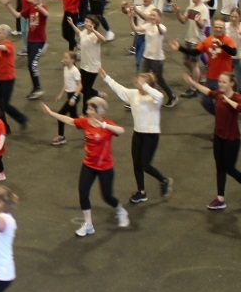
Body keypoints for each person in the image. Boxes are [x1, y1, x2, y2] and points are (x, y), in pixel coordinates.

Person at [40, 97, 129, 236]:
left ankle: (120, 210)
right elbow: (70, 120)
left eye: (90, 109)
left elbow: (121, 131)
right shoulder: (86, 122)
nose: (87, 111)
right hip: (89, 164)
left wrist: (104, 126)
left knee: (107, 196)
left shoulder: (107, 125)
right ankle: (88, 224)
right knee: (83, 192)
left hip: (105, 166)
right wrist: (51, 113)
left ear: (99, 111)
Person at [184, 72, 241, 210]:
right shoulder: (218, 94)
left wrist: (227, 100)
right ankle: (220, 198)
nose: (221, 84)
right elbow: (208, 91)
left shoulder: (236, 96)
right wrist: (194, 84)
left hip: (232, 139)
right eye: (220, 82)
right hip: (218, 137)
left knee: (230, 168)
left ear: (232, 83)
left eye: (224, 82)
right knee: (220, 167)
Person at [100, 67, 170, 204]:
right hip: (138, 133)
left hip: (151, 135)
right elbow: (119, 89)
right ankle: (141, 192)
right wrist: (106, 78)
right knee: (136, 164)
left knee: (145, 164)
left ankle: (163, 180)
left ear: (148, 86)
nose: (137, 84)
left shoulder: (154, 99)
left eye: (141, 83)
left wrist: (145, 85)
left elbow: (160, 96)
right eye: (138, 82)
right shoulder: (134, 94)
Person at [49, 51, 82, 147]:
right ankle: (89, 128)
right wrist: (61, 94)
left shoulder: (75, 71)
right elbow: (66, 83)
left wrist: (74, 98)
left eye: (66, 58)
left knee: (60, 115)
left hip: (74, 96)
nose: (64, 59)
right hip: (69, 95)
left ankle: (61, 137)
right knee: (74, 118)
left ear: (72, 60)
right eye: (64, 57)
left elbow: (80, 86)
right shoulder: (66, 68)